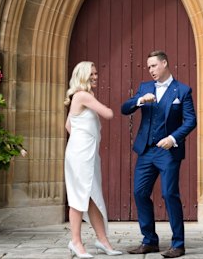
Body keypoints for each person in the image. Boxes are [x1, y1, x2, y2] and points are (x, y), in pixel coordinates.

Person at [121, 50, 197, 258]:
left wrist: (172, 138)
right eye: (148, 68)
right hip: (146, 151)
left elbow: (190, 121)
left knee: (169, 193)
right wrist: (140, 101)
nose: (151, 70)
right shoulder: (144, 88)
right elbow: (124, 108)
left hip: (168, 152)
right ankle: (149, 241)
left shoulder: (182, 91)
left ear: (164, 63)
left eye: (154, 66)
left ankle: (178, 244)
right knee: (139, 192)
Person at [64, 61, 122, 258]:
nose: (95, 77)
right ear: (82, 76)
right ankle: (76, 242)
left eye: (96, 74)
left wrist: (85, 138)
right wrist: (82, 141)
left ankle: (102, 240)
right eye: (92, 74)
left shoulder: (81, 97)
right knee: (78, 196)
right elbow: (108, 113)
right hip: (80, 155)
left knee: (92, 197)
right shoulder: (82, 96)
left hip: (87, 153)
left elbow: (68, 125)